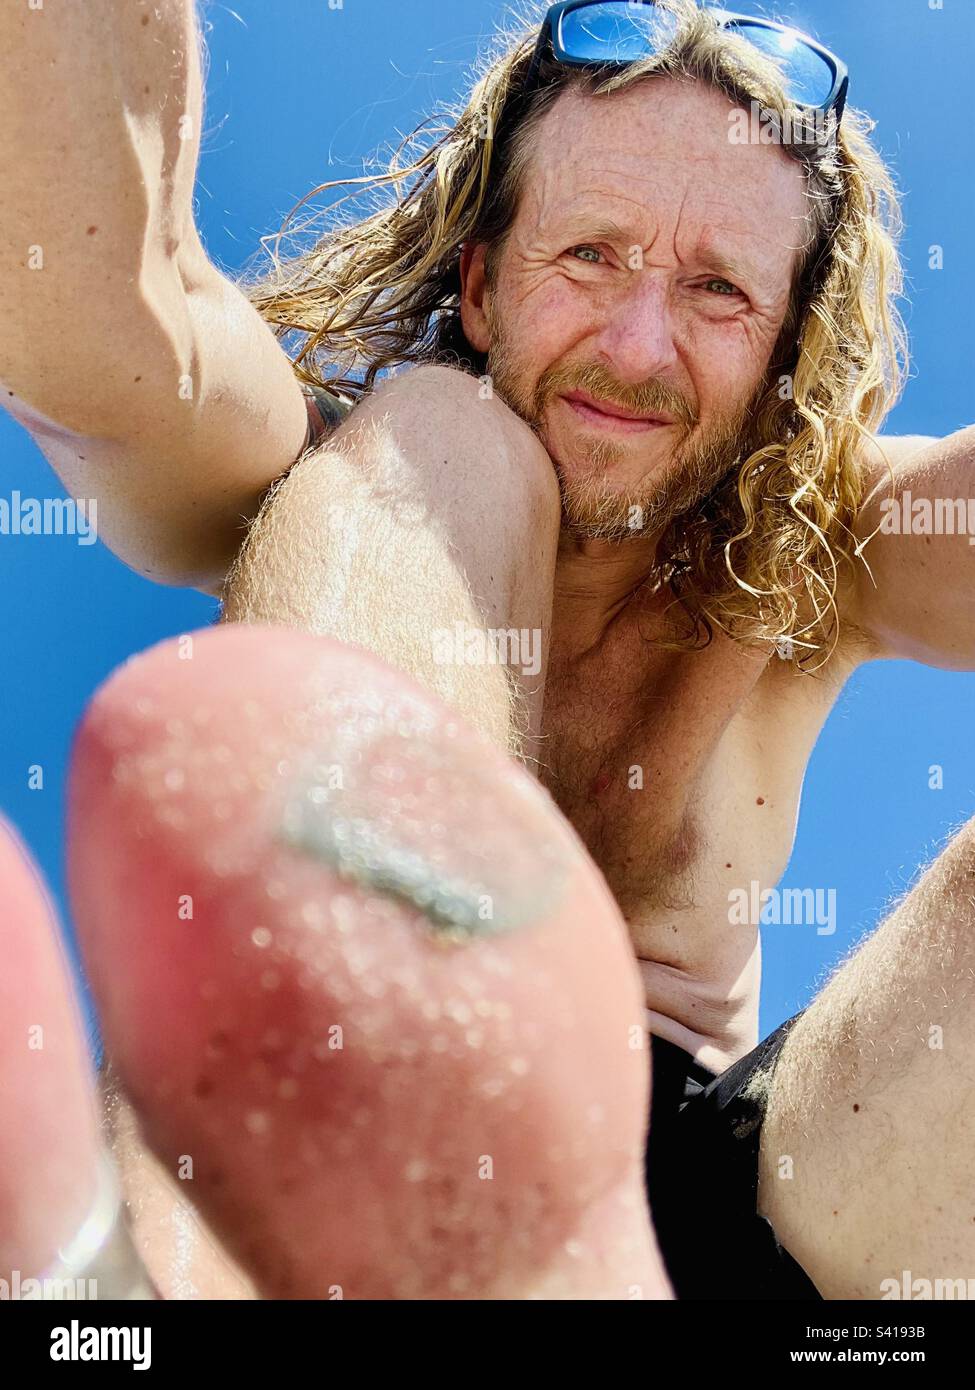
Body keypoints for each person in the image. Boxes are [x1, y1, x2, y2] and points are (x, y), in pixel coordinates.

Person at [2, 0, 973, 1299]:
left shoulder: (821, 552)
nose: (638, 347)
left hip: (767, 1219)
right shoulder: (323, 472)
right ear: (480, 280)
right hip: (324, 1141)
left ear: (783, 353)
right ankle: (263, 1211)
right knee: (444, 437)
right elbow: (100, 309)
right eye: (589, 254)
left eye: (718, 291)